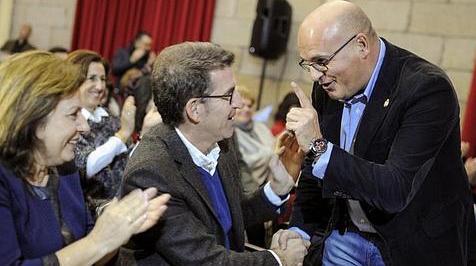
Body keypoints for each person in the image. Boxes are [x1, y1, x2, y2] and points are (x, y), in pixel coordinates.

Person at [277, 0, 476, 265]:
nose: (315, 75)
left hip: (412, 245)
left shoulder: (427, 89)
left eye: (321, 61)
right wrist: (299, 228)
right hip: (345, 237)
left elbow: (395, 190)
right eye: (308, 64)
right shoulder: (328, 86)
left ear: (361, 45)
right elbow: (317, 172)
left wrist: (319, 147)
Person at [120, 42, 309, 265]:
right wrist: (278, 259)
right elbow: (205, 259)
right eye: (229, 95)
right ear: (195, 109)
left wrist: (277, 188)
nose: (238, 103)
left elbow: (231, 216)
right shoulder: (151, 173)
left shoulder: (222, 140)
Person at [0, 51, 170, 265]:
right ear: (33, 120)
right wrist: (99, 241)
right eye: (73, 114)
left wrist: (121, 227)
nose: (85, 126)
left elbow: (91, 254)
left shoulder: (64, 169)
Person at [67, 50, 138, 217]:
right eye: (92, 78)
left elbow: (130, 161)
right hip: (87, 212)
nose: (99, 87)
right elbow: (85, 167)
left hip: (120, 209)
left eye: (103, 79)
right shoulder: (68, 121)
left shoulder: (111, 118)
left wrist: (146, 134)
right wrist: (123, 133)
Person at [234, 85, 276, 247]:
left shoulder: (260, 127)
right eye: (241, 105)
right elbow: (243, 163)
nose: (246, 109)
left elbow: (276, 150)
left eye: (250, 105)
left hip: (267, 185)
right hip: (246, 190)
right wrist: (269, 153)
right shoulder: (229, 132)